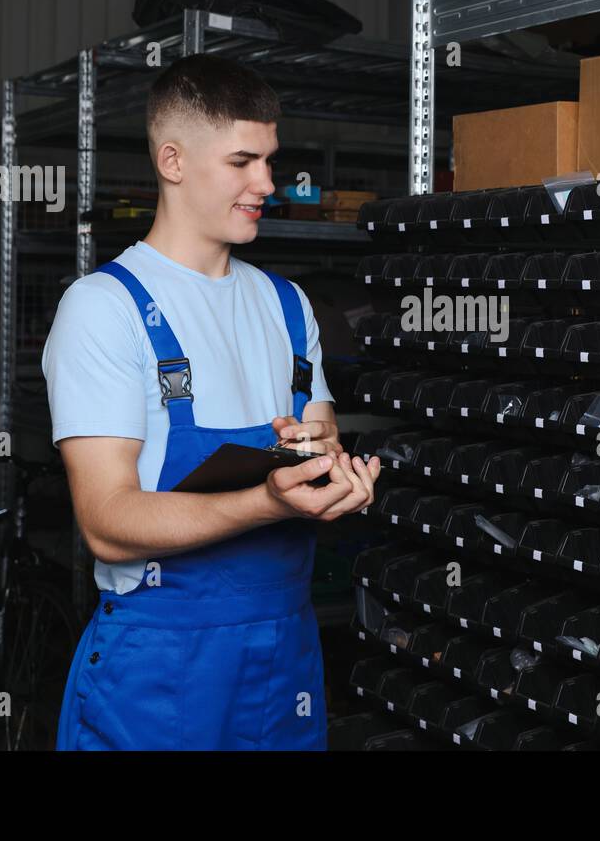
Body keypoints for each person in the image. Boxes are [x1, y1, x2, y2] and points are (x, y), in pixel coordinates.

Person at [42, 54, 381, 750]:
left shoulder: (289, 307)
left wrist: (337, 478)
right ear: (173, 160)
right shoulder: (105, 309)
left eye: (270, 159)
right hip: (162, 664)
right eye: (242, 161)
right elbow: (107, 521)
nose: (268, 183)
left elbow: (321, 445)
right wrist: (270, 501)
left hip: (285, 649)